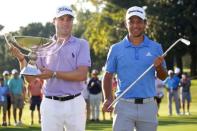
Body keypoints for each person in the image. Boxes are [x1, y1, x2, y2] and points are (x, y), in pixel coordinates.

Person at [10, 5, 91, 131]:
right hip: (50, 104)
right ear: (54, 21)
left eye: (69, 19)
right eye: (61, 19)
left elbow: (81, 75)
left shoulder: (81, 44)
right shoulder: (43, 46)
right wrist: (22, 59)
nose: (65, 22)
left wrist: (53, 73)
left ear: (72, 22)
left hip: (75, 102)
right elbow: (30, 80)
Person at [102, 6, 167, 131]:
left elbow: (163, 76)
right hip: (123, 105)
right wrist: (108, 98)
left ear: (145, 23)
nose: (135, 25)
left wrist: (158, 68)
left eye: (139, 21)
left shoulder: (156, 47)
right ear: (126, 24)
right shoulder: (116, 48)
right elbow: (108, 76)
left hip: (148, 106)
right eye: (131, 21)